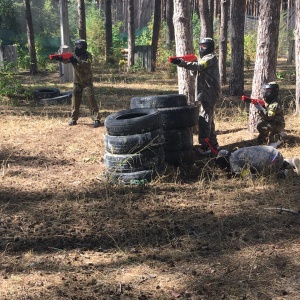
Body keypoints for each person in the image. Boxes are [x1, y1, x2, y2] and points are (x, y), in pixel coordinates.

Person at [170, 37, 221, 154]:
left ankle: (205, 146)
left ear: (210, 47)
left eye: (204, 46)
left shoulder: (210, 57)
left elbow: (199, 66)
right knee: (209, 119)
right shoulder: (204, 59)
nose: (202, 48)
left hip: (210, 92)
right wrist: (186, 63)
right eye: (201, 46)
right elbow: (196, 71)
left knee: (204, 119)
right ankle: (213, 144)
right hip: (206, 92)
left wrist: (181, 63)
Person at [61, 39, 102, 128]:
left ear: (84, 46)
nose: (78, 47)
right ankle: (73, 119)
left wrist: (74, 60)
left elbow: (87, 64)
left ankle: (96, 119)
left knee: (91, 100)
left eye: (80, 45)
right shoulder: (74, 55)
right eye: (77, 45)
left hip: (87, 81)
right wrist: (61, 58)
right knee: (75, 101)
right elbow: (66, 60)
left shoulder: (88, 55)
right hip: (77, 81)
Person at [215, 146, 300, 178]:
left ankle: (286, 173)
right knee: (274, 162)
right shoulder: (237, 152)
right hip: (276, 153)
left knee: (263, 176)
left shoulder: (234, 164)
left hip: (271, 162)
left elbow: (250, 177)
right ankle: (291, 162)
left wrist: (238, 177)